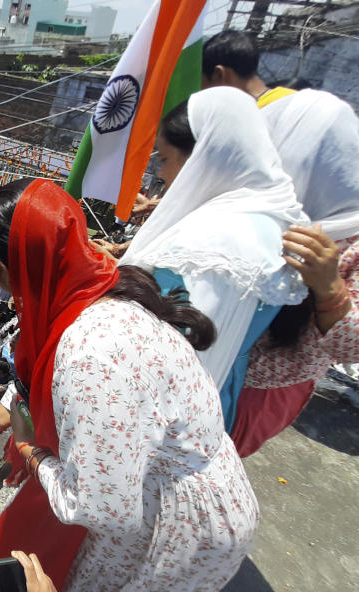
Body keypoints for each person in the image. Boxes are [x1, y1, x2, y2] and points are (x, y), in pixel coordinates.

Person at [0, 178, 259, 590]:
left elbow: (100, 508)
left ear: (7, 269)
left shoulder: (89, 353)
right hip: (164, 495)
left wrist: (31, 451)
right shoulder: (93, 288)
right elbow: (35, 382)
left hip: (172, 531)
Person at [202, 32, 359, 455]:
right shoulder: (270, 210)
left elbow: (353, 345)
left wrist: (328, 285)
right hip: (210, 364)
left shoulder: (348, 242)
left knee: (209, 469)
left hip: (262, 389)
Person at [120, 87, 310, 432]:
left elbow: (174, 361)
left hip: (161, 423)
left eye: (164, 159)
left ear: (203, 157)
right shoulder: (271, 217)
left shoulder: (218, 242)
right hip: (216, 399)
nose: (161, 174)